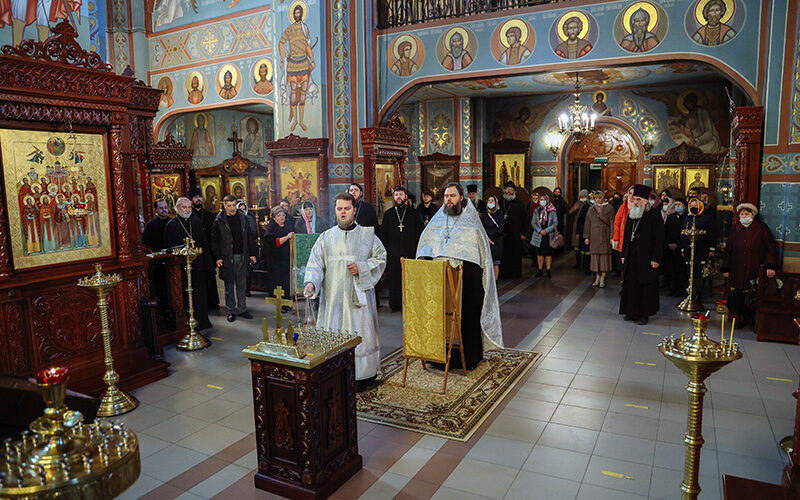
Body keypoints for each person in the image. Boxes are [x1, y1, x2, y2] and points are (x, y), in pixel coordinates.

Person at [304, 192, 387, 390]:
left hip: (358, 303)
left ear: (354, 211)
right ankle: (333, 374)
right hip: (332, 301)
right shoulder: (326, 237)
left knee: (359, 334)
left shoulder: (367, 236)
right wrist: (311, 283)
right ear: (335, 211)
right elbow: (315, 264)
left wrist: (362, 267)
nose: (343, 212)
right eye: (339, 209)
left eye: (347, 209)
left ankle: (362, 376)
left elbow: (381, 258)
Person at [417, 183, 504, 370]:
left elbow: (480, 256)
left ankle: (469, 358)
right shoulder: (437, 222)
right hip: (441, 282)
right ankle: (438, 358)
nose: (449, 199)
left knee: (467, 318)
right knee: (441, 318)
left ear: (461, 198)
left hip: (466, 283)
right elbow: (425, 247)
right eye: (446, 196)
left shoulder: (472, 224)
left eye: (453, 196)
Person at [722, 203, 778, 326]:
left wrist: (770, 265)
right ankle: (738, 318)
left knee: (751, 293)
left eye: (746, 214)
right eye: (741, 214)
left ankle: (751, 318)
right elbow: (728, 250)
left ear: (752, 215)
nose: (744, 216)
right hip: (737, 268)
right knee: (737, 294)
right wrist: (726, 268)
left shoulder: (761, 228)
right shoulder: (735, 228)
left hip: (754, 266)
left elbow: (771, 247)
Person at [619, 185, 664, 325]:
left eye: (638, 199)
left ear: (646, 200)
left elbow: (660, 238)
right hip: (632, 256)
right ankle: (631, 312)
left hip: (647, 258)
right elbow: (627, 235)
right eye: (634, 199)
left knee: (645, 287)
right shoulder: (632, 213)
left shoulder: (654, 214)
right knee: (631, 284)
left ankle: (644, 314)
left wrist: (656, 258)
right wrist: (623, 253)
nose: (636, 202)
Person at [165, 197, 212, 330]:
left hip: (197, 265)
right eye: (184, 207)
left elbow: (204, 244)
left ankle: (201, 321)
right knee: (185, 294)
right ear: (177, 208)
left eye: (189, 207)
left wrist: (208, 264)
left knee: (199, 294)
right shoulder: (171, 225)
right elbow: (169, 248)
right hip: (181, 268)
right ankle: (186, 324)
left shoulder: (196, 222)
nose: (187, 210)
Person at [211, 195, 258, 322]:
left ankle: (242, 308)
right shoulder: (219, 220)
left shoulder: (243, 218)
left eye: (234, 205)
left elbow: (250, 236)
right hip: (227, 257)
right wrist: (218, 257)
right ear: (224, 206)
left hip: (242, 255)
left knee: (241, 284)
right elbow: (215, 240)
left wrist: (253, 254)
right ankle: (231, 310)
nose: (232, 208)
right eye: (229, 206)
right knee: (229, 285)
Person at [380, 187, 424, 312]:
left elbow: (419, 233)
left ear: (406, 196)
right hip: (393, 253)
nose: (398, 197)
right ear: (394, 197)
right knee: (394, 279)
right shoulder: (388, 214)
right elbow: (384, 234)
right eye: (396, 195)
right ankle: (395, 304)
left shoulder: (414, 213)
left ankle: (410, 304)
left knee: (410, 279)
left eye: (401, 194)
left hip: (410, 252)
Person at [189, 187, 220, 312]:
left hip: (208, 252)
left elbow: (214, 235)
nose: (198, 199)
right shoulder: (189, 215)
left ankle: (213, 303)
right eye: (195, 197)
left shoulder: (208, 215)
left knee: (210, 277)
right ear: (191, 200)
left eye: (200, 197)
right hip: (194, 253)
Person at [680, 197, 716, 303]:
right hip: (688, 249)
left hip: (702, 249)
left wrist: (712, 249)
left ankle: (698, 294)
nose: (693, 207)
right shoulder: (688, 218)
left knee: (699, 272)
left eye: (696, 206)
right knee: (688, 271)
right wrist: (682, 249)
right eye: (691, 206)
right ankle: (690, 293)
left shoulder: (707, 218)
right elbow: (683, 234)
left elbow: (712, 235)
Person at [262, 206, 295, 312]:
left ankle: (287, 302)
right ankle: (281, 304)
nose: (282, 218)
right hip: (276, 260)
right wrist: (287, 237)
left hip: (286, 259)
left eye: (283, 215)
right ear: (274, 217)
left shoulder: (288, 226)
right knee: (279, 282)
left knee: (287, 282)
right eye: (279, 216)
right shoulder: (271, 227)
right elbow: (274, 242)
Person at [583, 191, 614, 288]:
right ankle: (597, 277)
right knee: (595, 257)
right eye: (595, 198)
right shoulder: (591, 209)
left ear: (603, 198)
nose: (597, 200)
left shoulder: (609, 208)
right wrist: (586, 236)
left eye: (599, 198)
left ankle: (602, 279)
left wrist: (612, 237)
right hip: (594, 235)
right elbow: (587, 224)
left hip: (605, 234)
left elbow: (613, 223)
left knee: (604, 257)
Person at [498, 181, 527, 279]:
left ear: (514, 191)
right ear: (504, 191)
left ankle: (515, 274)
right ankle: (503, 274)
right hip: (503, 234)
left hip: (516, 234)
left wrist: (524, 233)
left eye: (511, 190)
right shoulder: (500, 203)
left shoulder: (520, 204)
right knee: (503, 255)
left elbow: (525, 220)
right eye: (507, 189)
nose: (509, 191)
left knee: (515, 255)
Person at [664, 197, 687, 297]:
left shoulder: (687, 218)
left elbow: (685, 234)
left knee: (680, 270)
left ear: (684, 206)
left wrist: (677, 244)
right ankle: (671, 288)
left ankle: (680, 289)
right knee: (670, 269)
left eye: (679, 204)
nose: (677, 206)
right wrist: (669, 243)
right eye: (676, 204)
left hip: (680, 247)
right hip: (669, 247)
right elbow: (665, 231)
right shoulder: (671, 217)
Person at [530, 193, 558, 278]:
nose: (542, 201)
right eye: (541, 199)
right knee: (539, 253)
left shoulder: (552, 210)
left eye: (544, 199)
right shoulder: (537, 209)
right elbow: (533, 222)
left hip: (548, 234)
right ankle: (540, 269)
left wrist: (546, 230)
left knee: (548, 253)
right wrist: (539, 230)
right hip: (539, 234)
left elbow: (555, 223)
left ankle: (548, 270)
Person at [237, 200, 259, 296]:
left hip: (248, 249)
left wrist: (252, 253)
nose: (242, 211)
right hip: (238, 250)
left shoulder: (250, 219)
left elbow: (253, 234)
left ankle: (247, 289)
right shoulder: (236, 220)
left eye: (243, 209)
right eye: (240, 209)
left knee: (247, 272)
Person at [481, 195, 504, 279]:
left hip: (496, 241)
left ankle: (495, 280)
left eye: (492, 200)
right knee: (487, 262)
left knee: (495, 262)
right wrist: (487, 239)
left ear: (496, 203)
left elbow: (501, 228)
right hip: (486, 240)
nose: (491, 202)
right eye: (489, 200)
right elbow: (482, 228)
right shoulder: (484, 215)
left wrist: (492, 239)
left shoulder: (500, 214)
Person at [569, 189, 588, 269]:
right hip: (577, 226)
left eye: (584, 196)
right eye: (581, 196)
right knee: (576, 246)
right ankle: (578, 262)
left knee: (585, 248)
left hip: (585, 227)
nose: (582, 198)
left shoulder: (588, 205)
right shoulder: (577, 203)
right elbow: (570, 212)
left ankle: (585, 264)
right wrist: (575, 209)